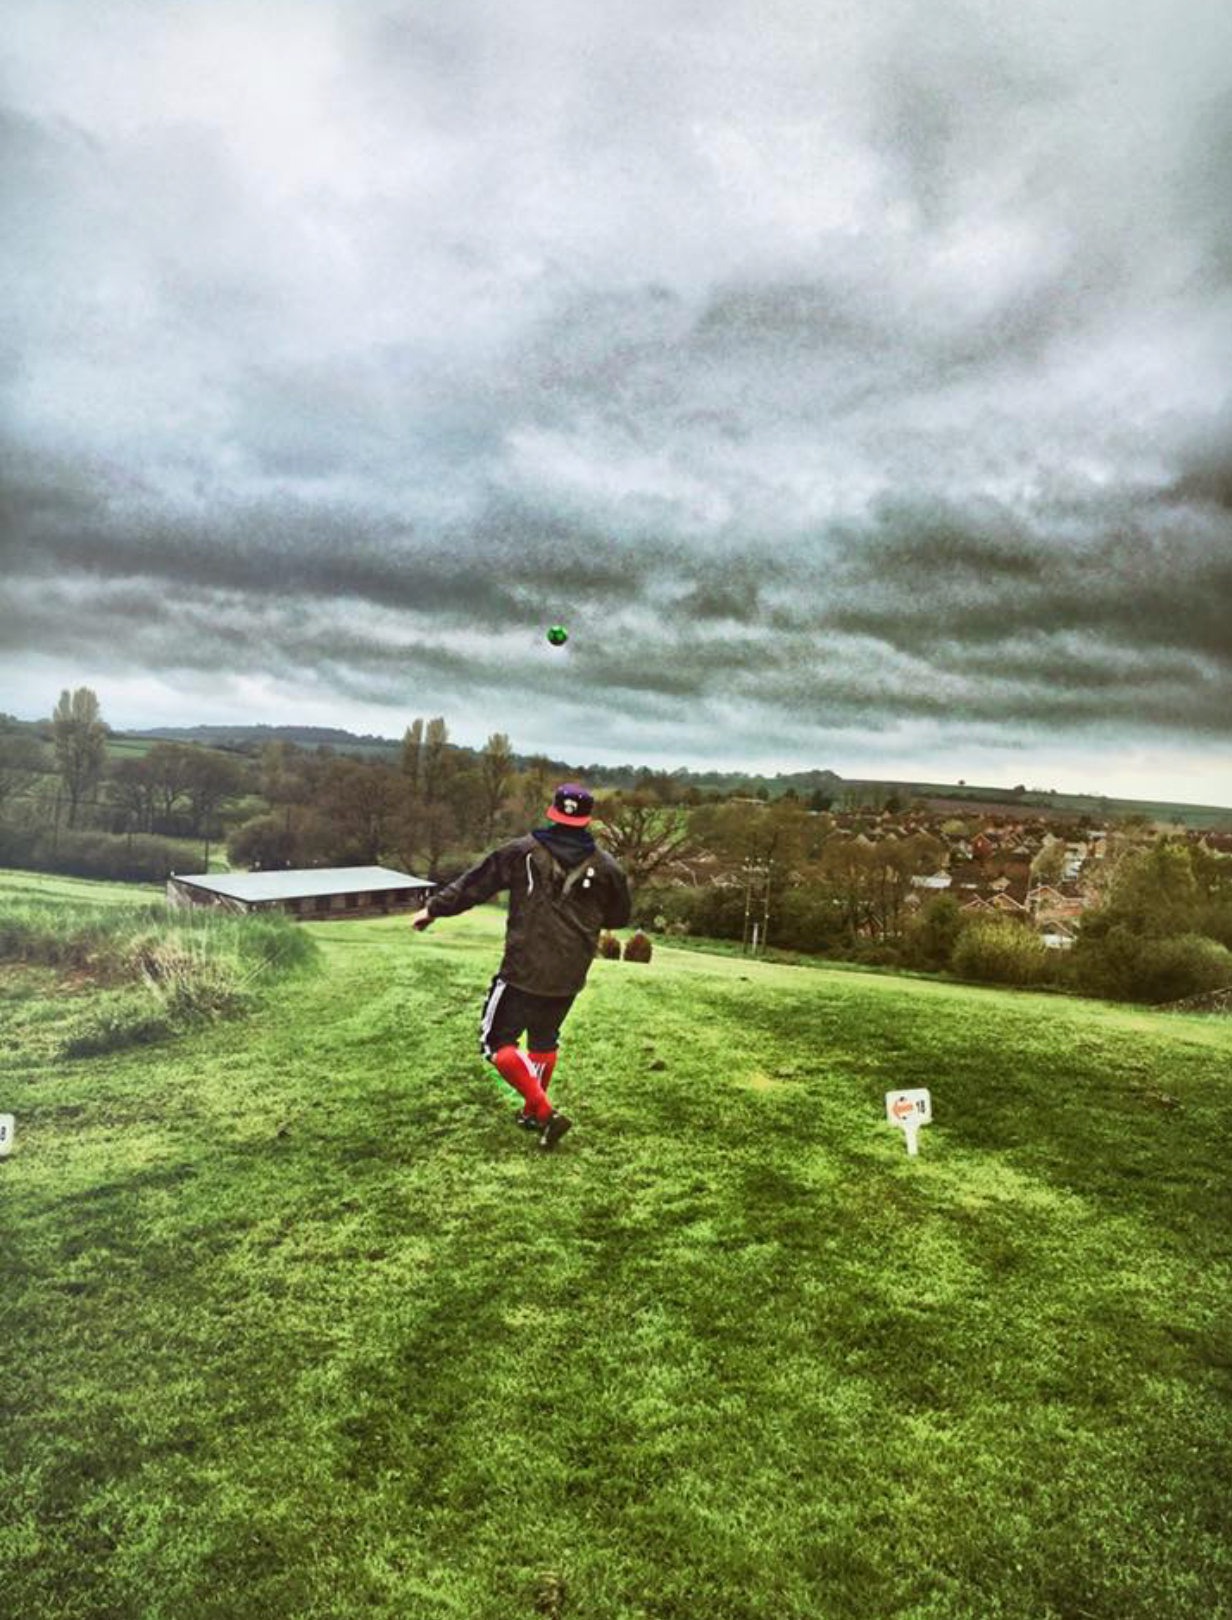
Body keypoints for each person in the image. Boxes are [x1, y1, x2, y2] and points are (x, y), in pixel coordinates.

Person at [409, 782, 632, 1149]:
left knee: (497, 1041)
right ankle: (532, 1112)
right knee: (544, 1039)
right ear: (588, 820)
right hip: (570, 971)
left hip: (522, 969)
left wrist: (433, 909)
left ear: (553, 812)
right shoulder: (608, 868)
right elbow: (620, 916)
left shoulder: (522, 852)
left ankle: (545, 1114)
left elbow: (475, 885)